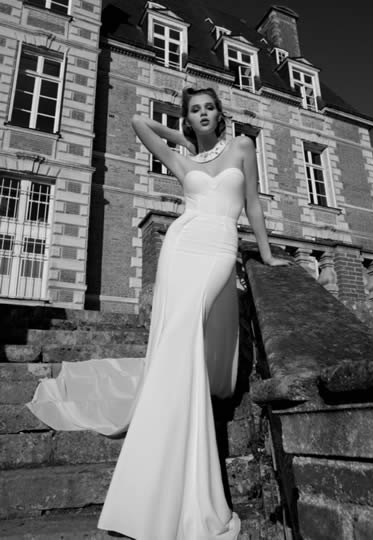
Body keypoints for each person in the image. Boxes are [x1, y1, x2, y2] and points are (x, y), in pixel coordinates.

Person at [27, 86, 290, 540]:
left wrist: (266, 255)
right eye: (195, 110)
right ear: (188, 118)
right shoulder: (183, 161)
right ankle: (160, 455)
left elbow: (251, 204)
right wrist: (182, 137)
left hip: (219, 246)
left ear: (220, 114)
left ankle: (181, 453)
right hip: (181, 246)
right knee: (176, 338)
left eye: (209, 108)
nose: (203, 114)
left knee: (186, 331)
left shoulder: (243, 146)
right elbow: (138, 123)